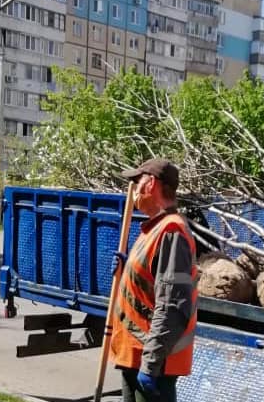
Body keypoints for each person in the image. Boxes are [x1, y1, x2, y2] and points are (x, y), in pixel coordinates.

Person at [110, 158, 198, 402]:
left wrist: (151, 364)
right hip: (138, 356)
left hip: (154, 362)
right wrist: (128, 268)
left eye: (137, 183)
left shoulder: (171, 232)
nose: (134, 191)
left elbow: (172, 305)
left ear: (151, 185)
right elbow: (151, 284)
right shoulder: (156, 228)